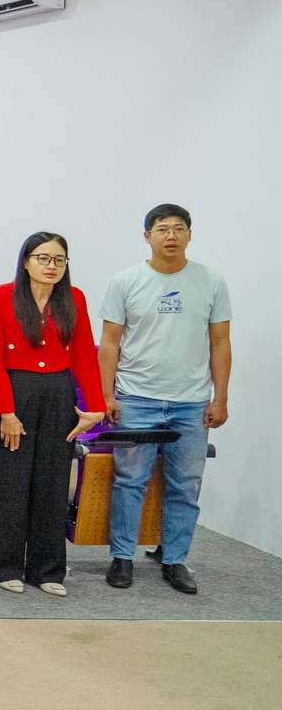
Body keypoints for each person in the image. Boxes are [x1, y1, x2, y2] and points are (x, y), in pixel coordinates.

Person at [98, 203, 231, 594]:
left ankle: (175, 560)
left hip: (191, 401)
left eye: (178, 228)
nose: (170, 235)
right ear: (147, 236)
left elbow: (220, 341)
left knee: (186, 484)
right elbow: (109, 342)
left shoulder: (211, 281)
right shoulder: (126, 281)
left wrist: (220, 397)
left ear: (190, 234)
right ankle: (121, 557)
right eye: (161, 229)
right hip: (137, 396)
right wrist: (107, 394)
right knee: (129, 481)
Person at [0, 232, 106, 596]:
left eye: (59, 260)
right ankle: (5, 566)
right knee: (11, 483)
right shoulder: (1, 296)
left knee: (53, 483)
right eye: (43, 258)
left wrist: (96, 407)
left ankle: (48, 569)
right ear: (26, 261)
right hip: (17, 392)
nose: (51, 266)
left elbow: (85, 354)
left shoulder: (74, 298)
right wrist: (6, 411)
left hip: (58, 392)